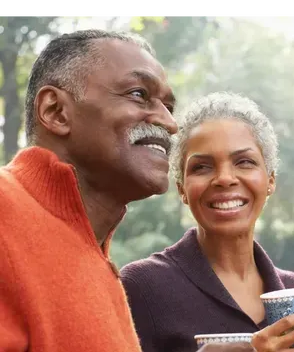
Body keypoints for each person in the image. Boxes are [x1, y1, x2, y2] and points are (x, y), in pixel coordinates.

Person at [0, 29, 179, 352]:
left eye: (169, 106)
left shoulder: (94, 255)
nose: (169, 123)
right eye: (139, 94)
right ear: (56, 111)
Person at [120, 92, 294, 352]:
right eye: (202, 167)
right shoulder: (142, 287)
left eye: (244, 162)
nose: (224, 179)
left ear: (270, 180)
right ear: (182, 188)